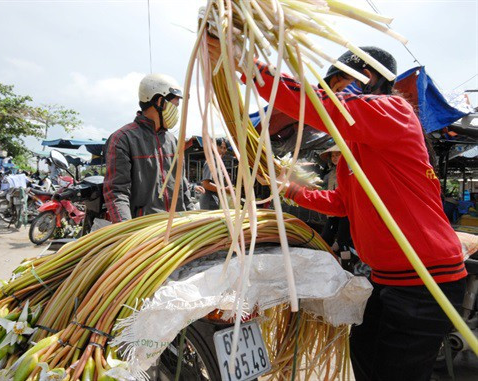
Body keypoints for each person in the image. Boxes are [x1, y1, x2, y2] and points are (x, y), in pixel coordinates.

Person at [207, 38, 466, 381]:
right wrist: (291, 190)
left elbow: (319, 105)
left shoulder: (392, 110)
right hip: (388, 279)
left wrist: (250, 65)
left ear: (368, 76)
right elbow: (343, 203)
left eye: (339, 87)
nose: (336, 96)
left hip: (425, 280)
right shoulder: (356, 149)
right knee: (364, 357)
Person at [104, 73, 195, 222]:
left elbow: (183, 189)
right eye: (175, 106)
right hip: (144, 232)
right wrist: (127, 233)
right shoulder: (123, 139)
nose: (177, 112)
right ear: (160, 101)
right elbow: (117, 193)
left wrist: (192, 220)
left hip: (177, 229)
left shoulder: (173, 141)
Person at [200, 137, 229, 210]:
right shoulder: (212, 162)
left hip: (214, 200)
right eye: (220, 147)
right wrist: (224, 189)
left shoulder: (218, 163)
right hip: (209, 201)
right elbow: (206, 184)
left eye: (225, 148)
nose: (223, 150)